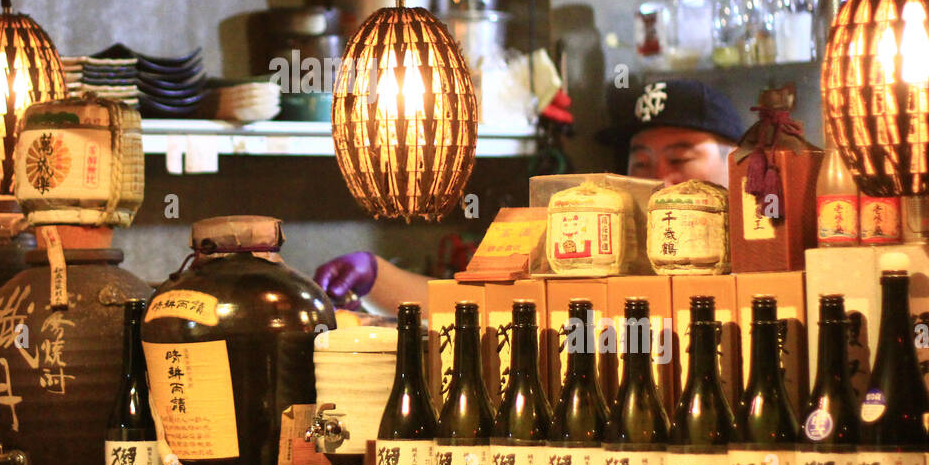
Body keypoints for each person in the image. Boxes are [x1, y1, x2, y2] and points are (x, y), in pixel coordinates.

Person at [315, 79, 746, 316]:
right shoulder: (596, 245)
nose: (659, 181)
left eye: (681, 159)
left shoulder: (764, 250)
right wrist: (376, 274)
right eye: (643, 162)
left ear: (737, 161)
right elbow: (479, 307)